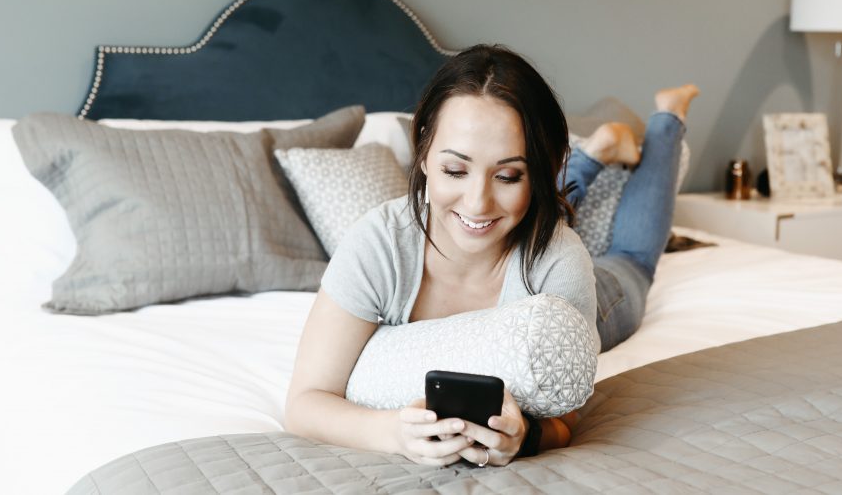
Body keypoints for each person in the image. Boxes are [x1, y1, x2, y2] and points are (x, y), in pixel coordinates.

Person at [284, 44, 697, 467]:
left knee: (633, 257)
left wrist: (527, 436)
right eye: (455, 170)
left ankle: (669, 118)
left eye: (508, 175)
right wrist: (393, 433)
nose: (478, 203)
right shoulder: (379, 246)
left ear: (537, 172)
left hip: (599, 295)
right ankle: (594, 155)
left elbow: (564, 422)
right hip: (528, 230)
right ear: (424, 154)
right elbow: (304, 403)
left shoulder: (560, 259)